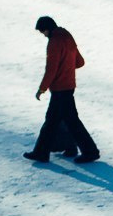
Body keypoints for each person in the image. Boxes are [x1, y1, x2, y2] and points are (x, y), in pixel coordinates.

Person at [23, 16, 100, 164]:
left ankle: (90, 152)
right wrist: (67, 68)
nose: (43, 35)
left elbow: (51, 70)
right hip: (69, 86)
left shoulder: (54, 42)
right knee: (60, 120)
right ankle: (61, 149)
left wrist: (42, 88)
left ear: (47, 29)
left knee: (58, 122)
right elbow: (80, 62)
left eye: (43, 32)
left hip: (59, 89)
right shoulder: (67, 36)